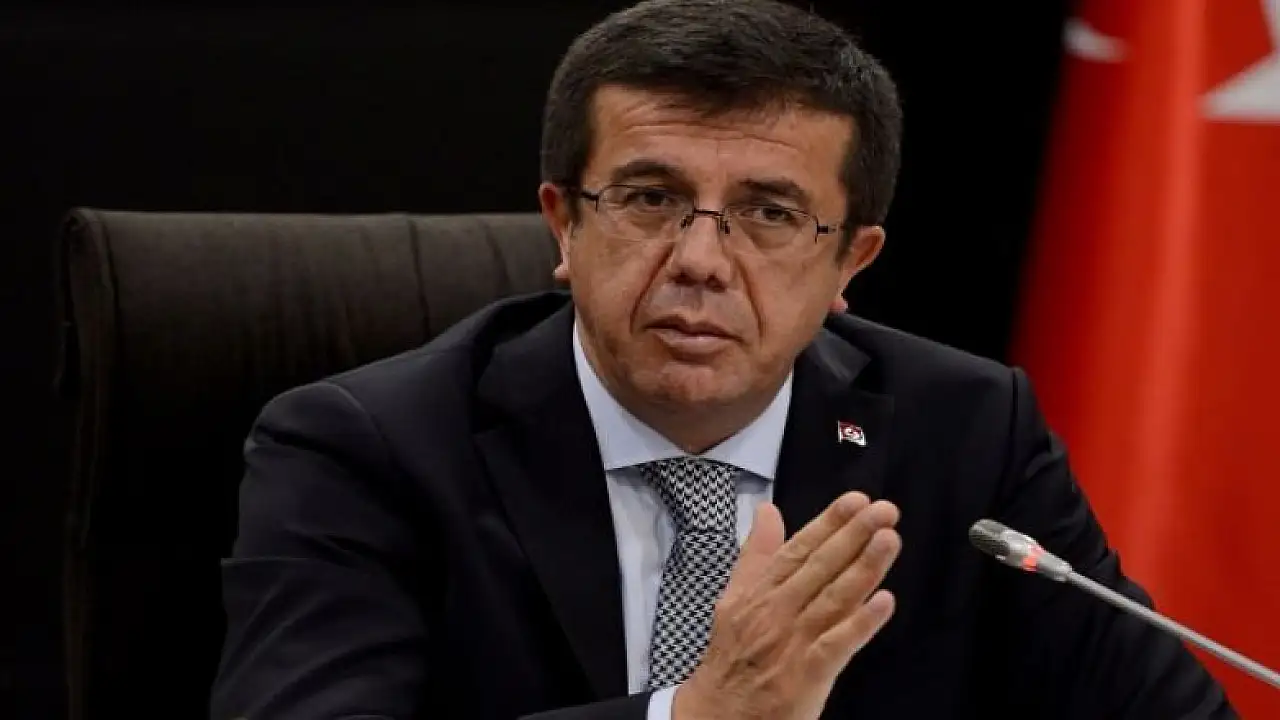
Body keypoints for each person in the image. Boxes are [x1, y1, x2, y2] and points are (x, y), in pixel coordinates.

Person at [210, 0, 1235, 718]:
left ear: (849, 263)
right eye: (651, 199)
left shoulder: (964, 433)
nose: (699, 260)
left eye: (769, 213)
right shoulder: (369, 448)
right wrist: (696, 715)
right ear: (564, 225)